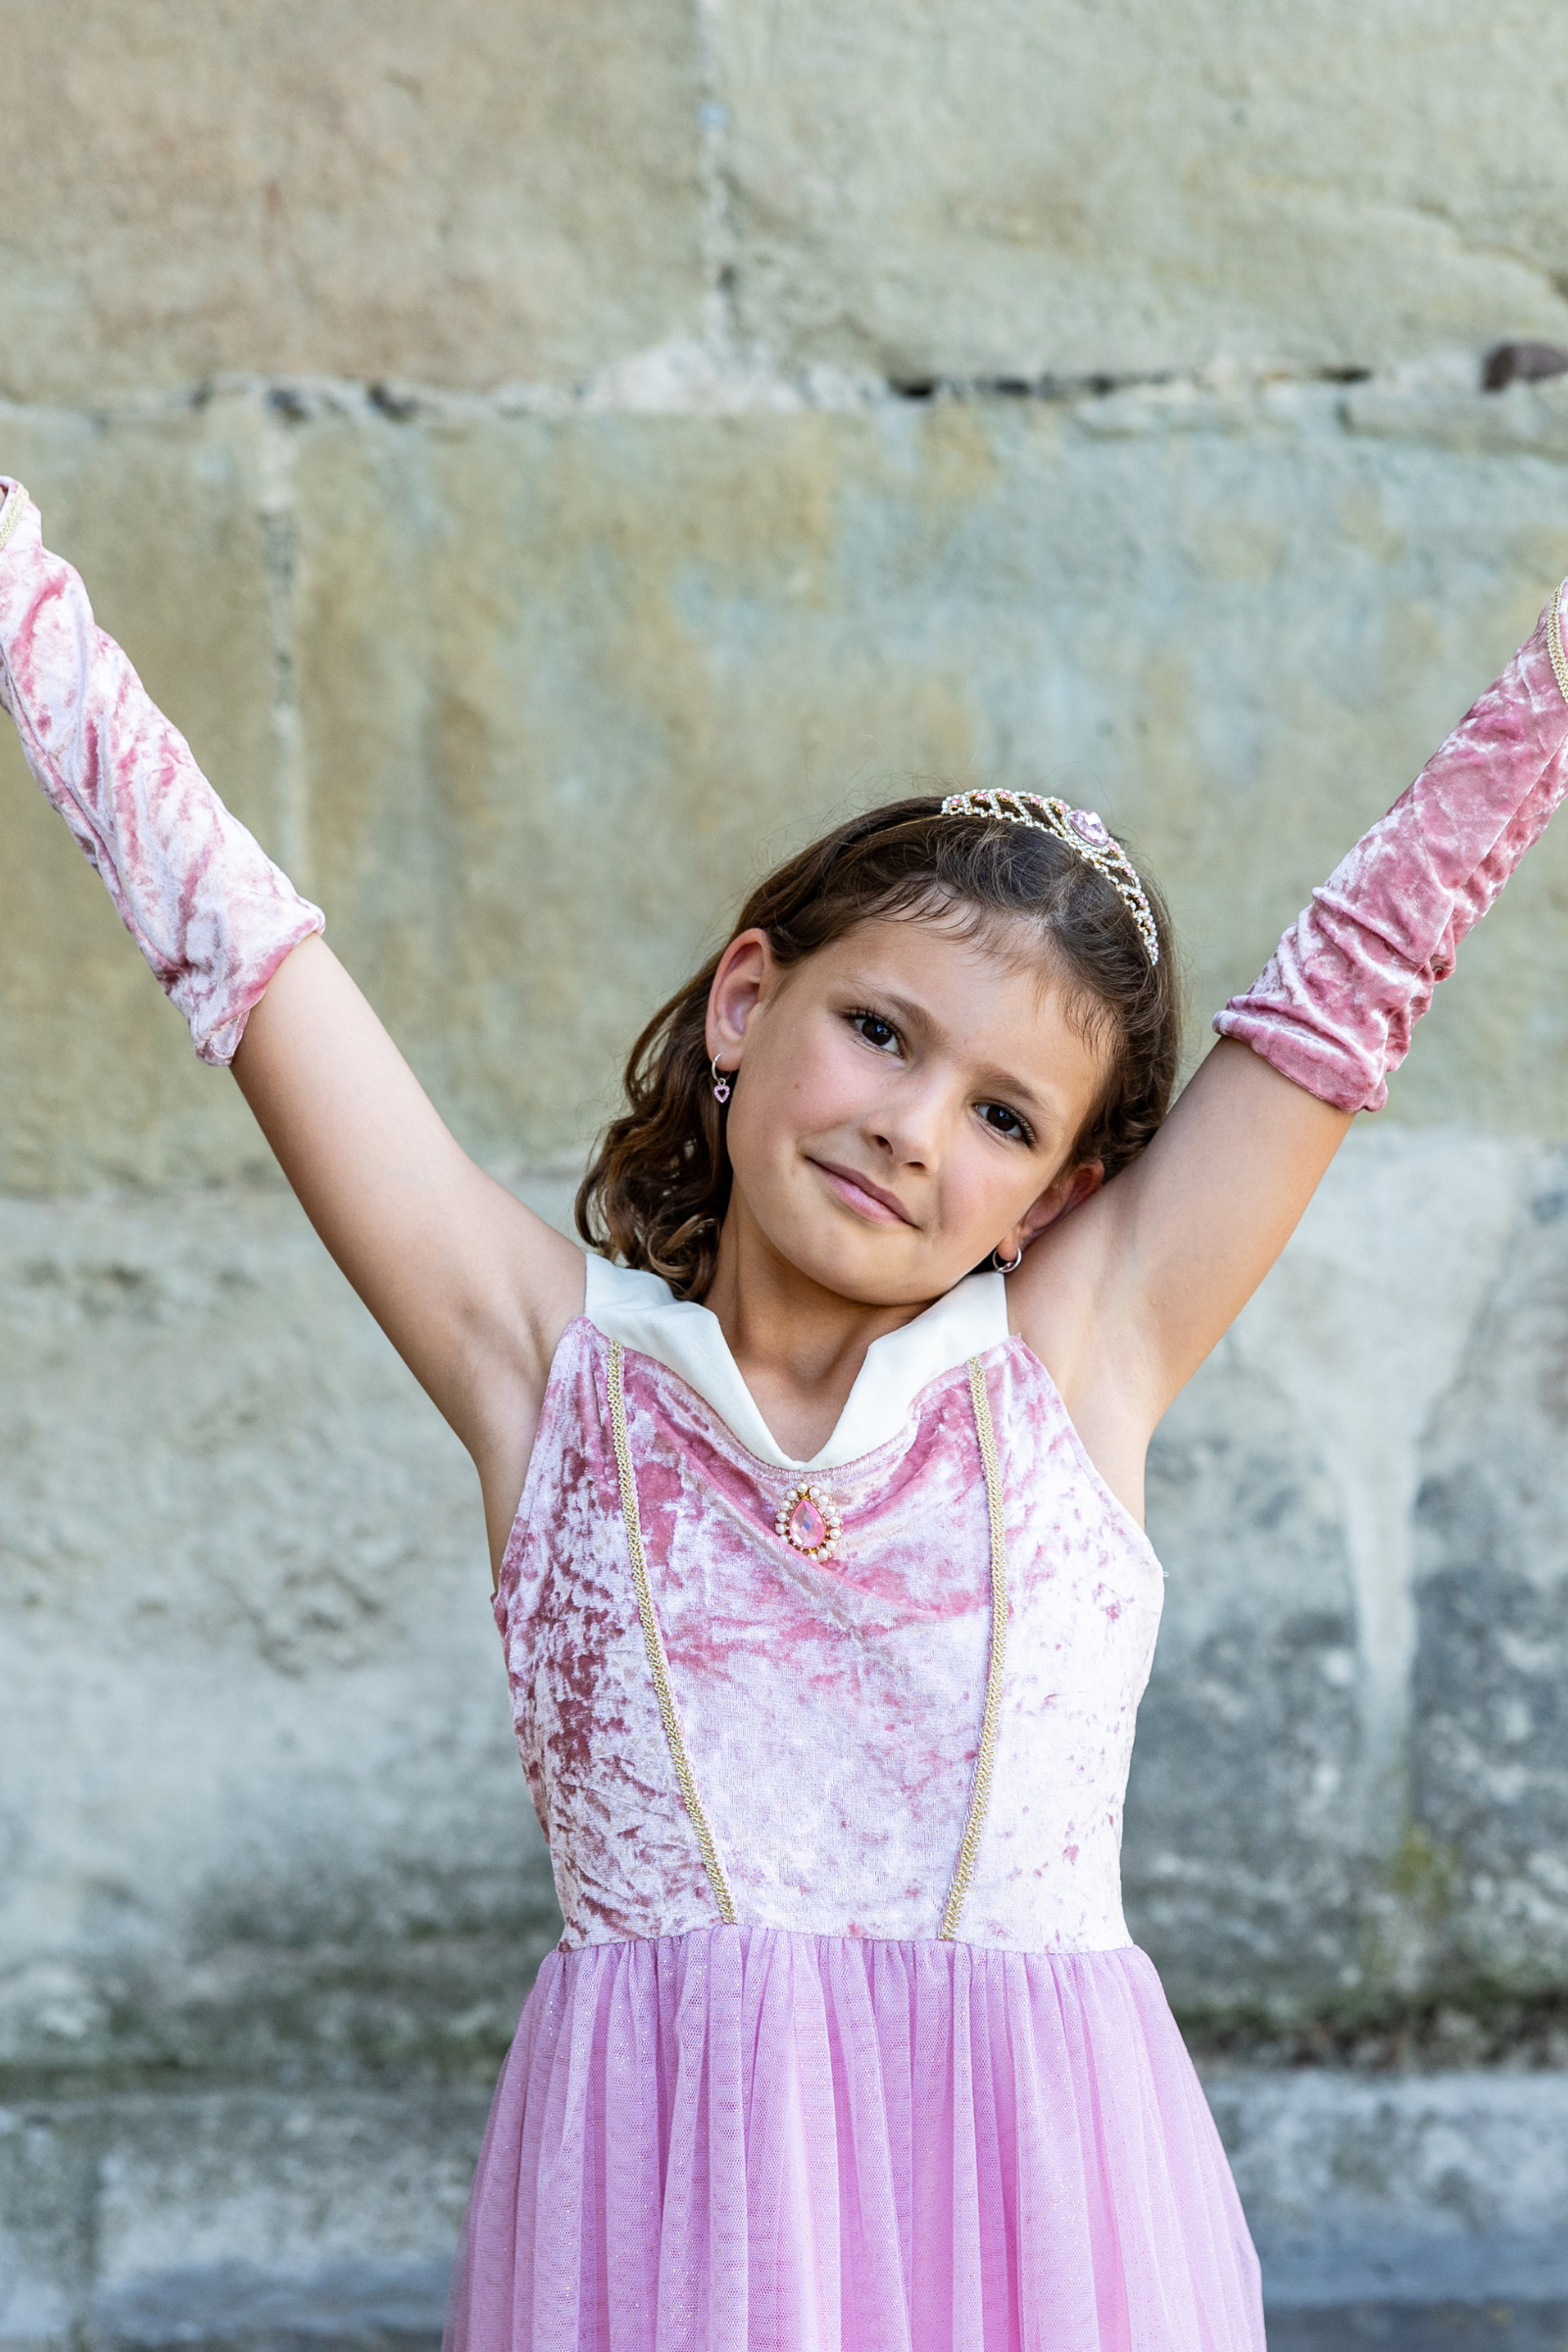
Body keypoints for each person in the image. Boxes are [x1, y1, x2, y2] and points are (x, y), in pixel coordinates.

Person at [2, 466, 1564, 2351]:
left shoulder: (1070, 1370)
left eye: (1003, 1117)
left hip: (1051, 2246)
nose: (915, 1125)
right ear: (749, 999)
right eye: (882, 1031)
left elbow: (1361, 974)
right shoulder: (548, 1376)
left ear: (1060, 1196)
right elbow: (242, 949)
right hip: (661, 2243)